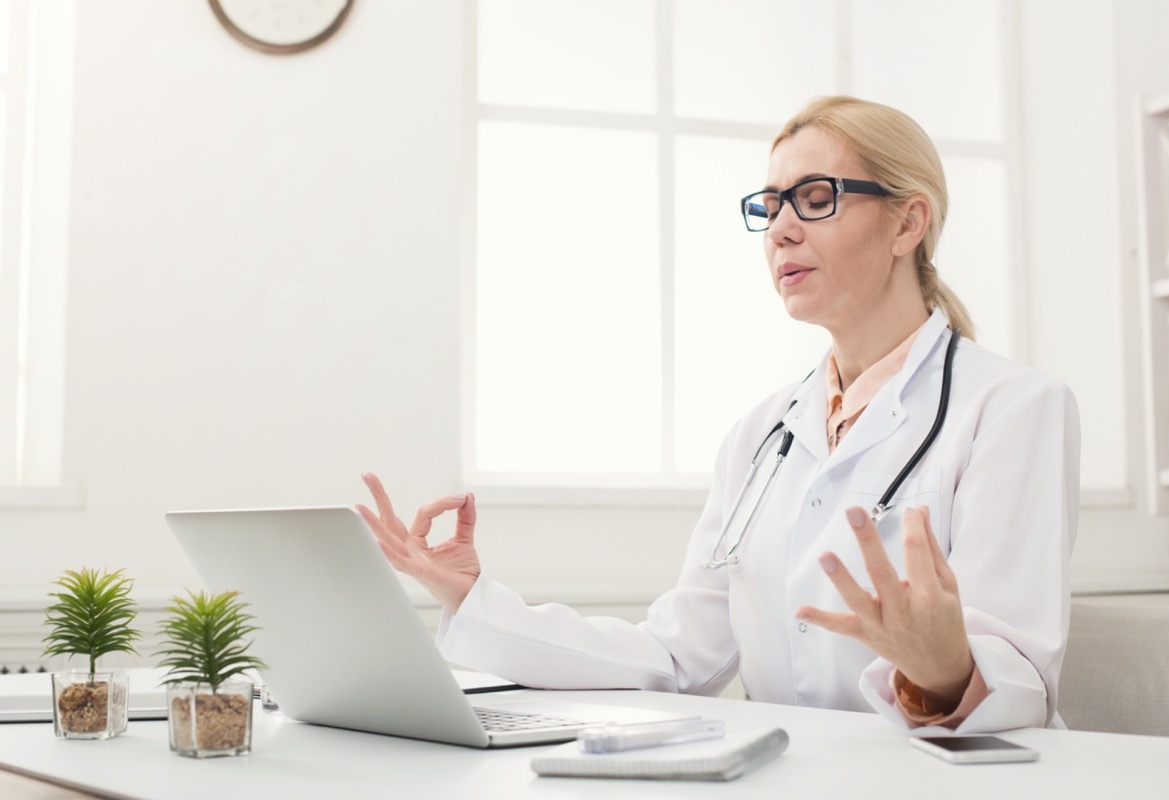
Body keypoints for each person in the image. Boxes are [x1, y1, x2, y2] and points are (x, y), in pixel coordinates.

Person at [358, 95, 1080, 734]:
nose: (781, 230)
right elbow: (675, 657)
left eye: (816, 197)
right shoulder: (759, 438)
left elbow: (1019, 682)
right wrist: (476, 601)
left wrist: (944, 670)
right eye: (770, 206)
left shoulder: (1011, 409)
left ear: (908, 223)